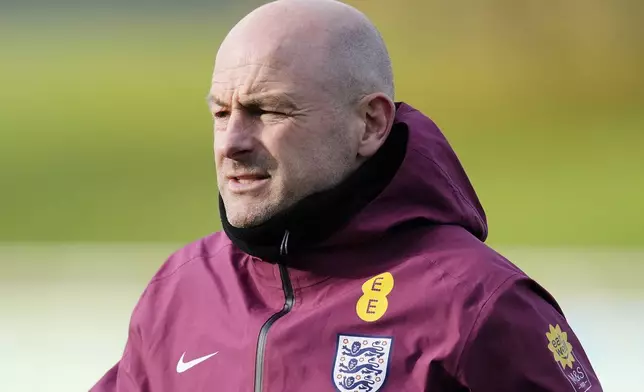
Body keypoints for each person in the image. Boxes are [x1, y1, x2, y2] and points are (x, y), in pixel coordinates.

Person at [91, 0, 602, 391]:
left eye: (268, 111)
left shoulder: (476, 304)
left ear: (370, 124)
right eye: (221, 114)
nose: (232, 142)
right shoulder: (181, 292)